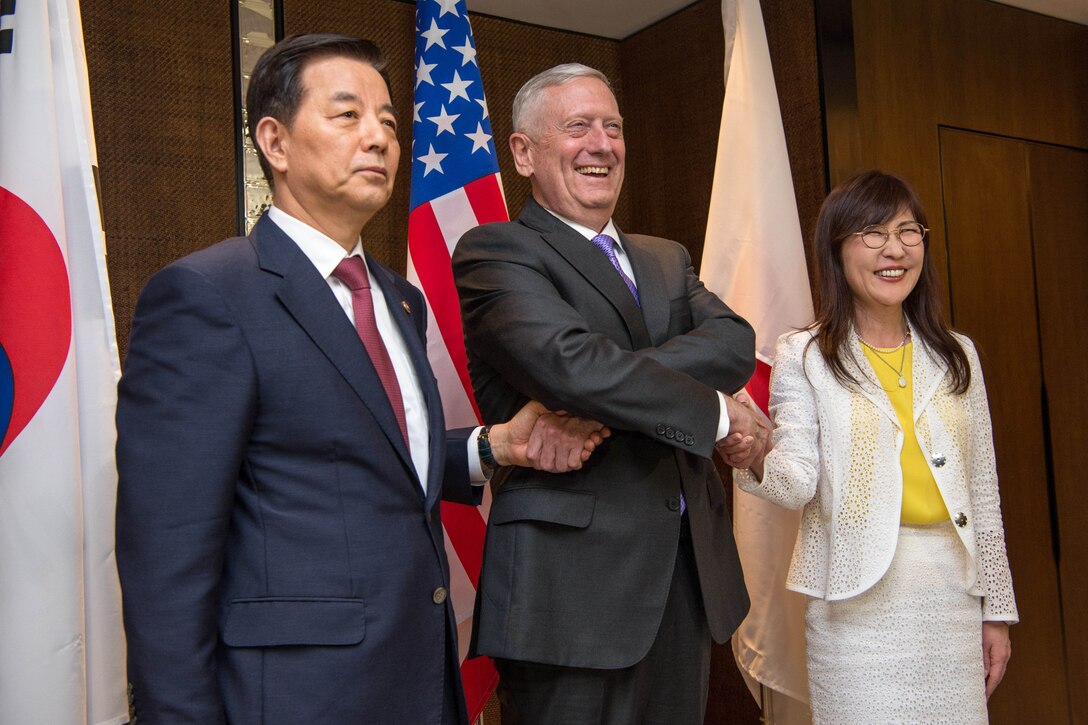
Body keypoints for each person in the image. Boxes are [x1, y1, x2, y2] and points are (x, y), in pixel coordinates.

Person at [115, 34, 607, 724]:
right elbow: (167, 556)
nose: (377, 137)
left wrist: (495, 446)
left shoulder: (398, 299)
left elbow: (373, 464)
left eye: (387, 121)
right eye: (348, 116)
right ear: (275, 142)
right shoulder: (206, 294)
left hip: (421, 679)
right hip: (298, 697)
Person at [451, 63, 766, 724]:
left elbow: (734, 342)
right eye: (577, 127)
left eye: (612, 127)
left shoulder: (666, 258)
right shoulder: (496, 251)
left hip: (684, 581)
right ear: (523, 152)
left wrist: (610, 374)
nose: (601, 143)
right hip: (567, 597)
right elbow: (567, 365)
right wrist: (708, 408)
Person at [726, 170, 1017, 723]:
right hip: (853, 610)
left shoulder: (959, 354)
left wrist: (996, 612)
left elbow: (983, 492)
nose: (895, 250)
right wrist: (754, 453)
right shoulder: (804, 354)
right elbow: (796, 481)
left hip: (952, 600)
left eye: (909, 232)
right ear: (836, 249)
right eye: (872, 233)